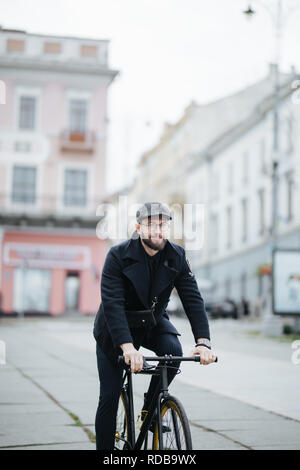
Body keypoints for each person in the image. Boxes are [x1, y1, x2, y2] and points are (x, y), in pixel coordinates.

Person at [93, 201, 216, 450]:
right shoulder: (117, 256)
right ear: (139, 228)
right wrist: (127, 348)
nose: (158, 230)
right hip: (116, 329)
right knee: (109, 396)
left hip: (150, 322)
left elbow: (193, 300)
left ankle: (150, 409)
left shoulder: (177, 255)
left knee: (173, 352)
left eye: (163, 224)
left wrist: (203, 343)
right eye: (151, 224)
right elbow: (113, 305)